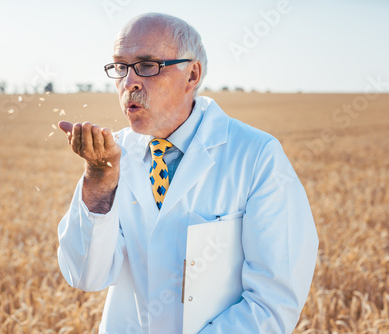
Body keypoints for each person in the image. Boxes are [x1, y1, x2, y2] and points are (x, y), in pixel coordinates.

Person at [57, 12, 318, 334]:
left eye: (147, 65)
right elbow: (85, 276)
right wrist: (99, 181)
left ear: (192, 75)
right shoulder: (111, 157)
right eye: (120, 67)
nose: (128, 82)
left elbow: (275, 301)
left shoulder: (256, 155)